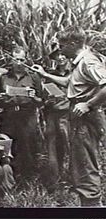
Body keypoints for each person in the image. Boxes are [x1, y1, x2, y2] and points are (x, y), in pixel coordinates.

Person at [31, 30, 106, 207]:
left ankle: (93, 210)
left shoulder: (88, 61)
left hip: (85, 117)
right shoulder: (80, 63)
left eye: (62, 45)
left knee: (85, 163)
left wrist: (88, 104)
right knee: (81, 162)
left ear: (73, 44)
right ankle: (90, 205)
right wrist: (45, 75)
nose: (60, 50)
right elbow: (69, 83)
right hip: (79, 116)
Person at [0, 47, 43, 180]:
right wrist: (2, 99)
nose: (18, 63)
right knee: (10, 146)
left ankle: (28, 179)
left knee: (27, 147)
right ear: (11, 60)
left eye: (21, 60)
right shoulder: (4, 77)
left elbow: (41, 101)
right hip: (9, 116)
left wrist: (33, 97)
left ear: (26, 60)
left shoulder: (33, 77)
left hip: (27, 116)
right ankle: (11, 178)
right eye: (16, 59)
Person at [41, 52, 71, 192]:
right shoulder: (50, 75)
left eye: (62, 54)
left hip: (69, 115)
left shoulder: (75, 73)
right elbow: (44, 98)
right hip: (52, 114)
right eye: (57, 55)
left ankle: (73, 182)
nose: (60, 57)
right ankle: (55, 182)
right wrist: (48, 100)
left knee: (71, 148)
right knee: (52, 149)